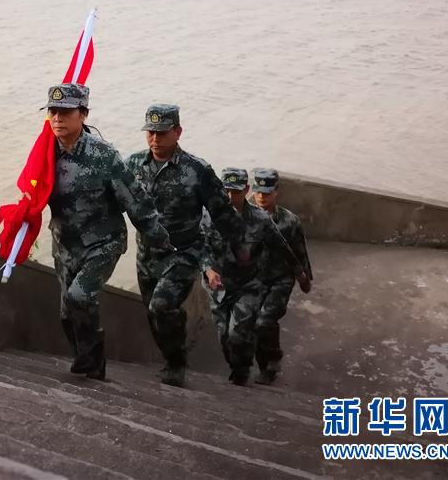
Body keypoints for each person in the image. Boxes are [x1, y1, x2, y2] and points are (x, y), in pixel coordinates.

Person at [44, 83, 176, 381]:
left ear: (83, 115)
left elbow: (136, 202)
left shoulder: (103, 155)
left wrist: (162, 243)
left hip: (102, 243)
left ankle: (93, 360)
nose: (58, 118)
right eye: (53, 111)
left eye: (66, 112)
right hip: (65, 244)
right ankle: (88, 360)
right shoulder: (44, 151)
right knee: (67, 313)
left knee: (80, 296)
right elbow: (32, 192)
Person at [125, 104, 247, 387]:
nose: (155, 138)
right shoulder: (132, 165)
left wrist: (238, 251)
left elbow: (223, 214)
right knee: (154, 313)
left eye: (162, 132)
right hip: (147, 255)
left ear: (178, 132)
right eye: (150, 132)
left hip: (183, 253)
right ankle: (173, 353)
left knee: (161, 305)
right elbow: (115, 199)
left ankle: (176, 364)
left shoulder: (197, 170)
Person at [200, 168, 309, 385]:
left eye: (236, 191)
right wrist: (208, 270)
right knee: (224, 336)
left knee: (244, 330)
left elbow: (285, 248)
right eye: (226, 191)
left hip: (249, 285)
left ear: (245, 190)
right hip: (219, 287)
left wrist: (301, 274)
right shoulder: (208, 216)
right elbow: (198, 246)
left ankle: (247, 370)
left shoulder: (262, 219)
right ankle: (238, 366)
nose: (230, 197)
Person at [250, 168, 314, 385]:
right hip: (253, 280)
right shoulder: (241, 217)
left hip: (281, 279)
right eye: (259, 192)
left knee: (264, 321)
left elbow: (300, 251)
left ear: (276, 192)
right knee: (255, 324)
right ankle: (269, 357)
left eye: (267, 192)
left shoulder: (289, 221)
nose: (262, 197)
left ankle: (269, 366)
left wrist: (305, 278)